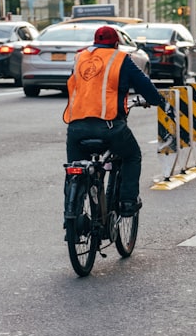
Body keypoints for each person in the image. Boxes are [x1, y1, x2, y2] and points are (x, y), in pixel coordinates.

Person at [63, 26, 168, 217]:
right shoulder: (120, 59)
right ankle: (128, 202)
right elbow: (144, 84)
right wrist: (157, 100)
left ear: (94, 42)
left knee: (75, 170)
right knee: (131, 156)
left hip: (76, 126)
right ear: (116, 43)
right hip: (109, 126)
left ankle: (72, 215)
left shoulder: (79, 58)